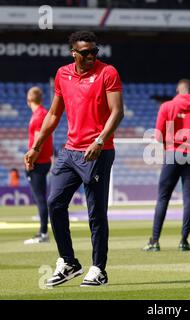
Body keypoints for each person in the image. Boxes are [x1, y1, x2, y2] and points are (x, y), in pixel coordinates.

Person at [24, 31, 124, 287]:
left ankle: (99, 269)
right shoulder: (62, 74)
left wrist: (100, 141)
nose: (91, 56)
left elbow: (117, 112)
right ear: (74, 53)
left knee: (96, 213)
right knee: (54, 204)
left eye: (94, 52)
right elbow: (54, 115)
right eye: (85, 52)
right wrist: (36, 146)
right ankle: (68, 261)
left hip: (98, 152)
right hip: (69, 152)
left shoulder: (108, 72)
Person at [142, 79, 190, 252]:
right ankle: (183, 241)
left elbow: (158, 136)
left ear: (177, 90)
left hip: (173, 154)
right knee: (188, 199)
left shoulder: (167, 107)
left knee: (163, 197)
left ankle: (155, 241)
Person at [24, 87, 54, 245]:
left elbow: (38, 143)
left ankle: (43, 233)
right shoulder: (44, 113)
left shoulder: (38, 116)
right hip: (44, 160)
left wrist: (30, 162)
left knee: (40, 198)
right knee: (41, 197)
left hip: (38, 162)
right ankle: (43, 231)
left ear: (29, 100)